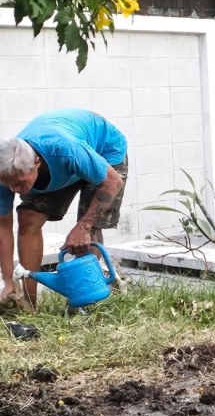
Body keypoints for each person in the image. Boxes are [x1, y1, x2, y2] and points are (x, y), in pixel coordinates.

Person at [0, 109, 128, 307]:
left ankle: (92, 301)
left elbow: (112, 181)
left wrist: (83, 227)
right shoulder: (5, 173)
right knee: (28, 217)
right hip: (64, 164)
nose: (16, 190)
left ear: (36, 163)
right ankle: (27, 302)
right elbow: (3, 228)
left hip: (104, 152)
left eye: (21, 182)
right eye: (10, 184)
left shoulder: (64, 148)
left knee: (88, 231)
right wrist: (8, 280)